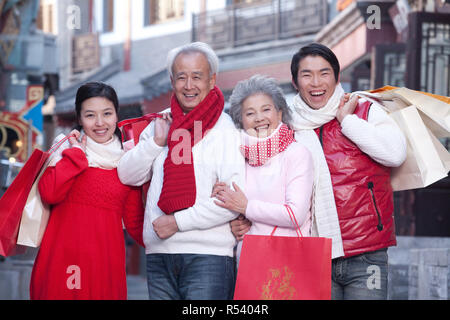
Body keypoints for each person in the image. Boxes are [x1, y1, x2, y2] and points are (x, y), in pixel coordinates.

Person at [117, 42, 245, 300]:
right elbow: (127, 175)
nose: (189, 86)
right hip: (159, 254)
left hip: (209, 257)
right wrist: (156, 143)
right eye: (181, 77)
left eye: (197, 77)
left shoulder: (225, 130)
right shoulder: (160, 123)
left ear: (212, 80)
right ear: (171, 81)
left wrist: (176, 222)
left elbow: (232, 200)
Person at [287, 43, 407, 299]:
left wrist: (347, 121)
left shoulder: (363, 109)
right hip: (311, 252)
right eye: (306, 74)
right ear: (295, 82)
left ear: (337, 76)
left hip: (365, 252)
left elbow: (395, 153)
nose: (316, 82)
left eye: (324, 72)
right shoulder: (287, 124)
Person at [30, 82, 145, 300]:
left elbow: (136, 223)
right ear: (80, 118)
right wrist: (76, 157)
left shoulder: (127, 161)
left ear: (116, 115)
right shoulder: (65, 149)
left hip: (105, 269)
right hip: (61, 265)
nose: (100, 123)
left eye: (107, 113)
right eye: (90, 115)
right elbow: (49, 193)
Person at [211, 75, 314, 263]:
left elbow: (295, 215)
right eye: (250, 113)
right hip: (250, 260)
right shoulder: (238, 158)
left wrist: (246, 207)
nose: (259, 118)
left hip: (288, 262)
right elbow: (232, 207)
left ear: (280, 113)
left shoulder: (296, 153)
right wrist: (234, 222)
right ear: (240, 120)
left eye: (266, 109)